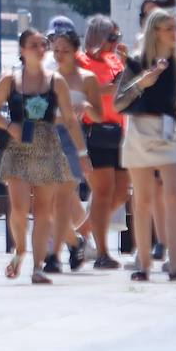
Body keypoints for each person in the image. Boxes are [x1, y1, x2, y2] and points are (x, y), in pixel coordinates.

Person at [0, 30, 92, 284]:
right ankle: (19, 251)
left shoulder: (55, 81)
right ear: (22, 50)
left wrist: (82, 153)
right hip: (18, 146)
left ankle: (38, 267)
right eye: (33, 45)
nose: (40, 48)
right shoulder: (9, 79)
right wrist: (8, 125)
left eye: (42, 44)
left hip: (47, 146)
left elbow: (69, 119)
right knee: (20, 210)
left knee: (44, 211)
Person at [114, 8, 176, 281]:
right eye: (168, 28)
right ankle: (143, 264)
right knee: (142, 200)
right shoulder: (136, 62)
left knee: (174, 196)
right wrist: (143, 80)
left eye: (175, 27)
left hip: (169, 132)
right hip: (139, 130)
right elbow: (119, 103)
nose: (175, 34)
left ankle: (175, 263)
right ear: (155, 32)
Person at [137, 0, 176, 259]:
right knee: (153, 188)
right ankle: (162, 239)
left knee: (170, 187)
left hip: (174, 124)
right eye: (146, 17)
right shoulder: (139, 48)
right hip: (144, 127)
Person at [48, 27, 102, 272]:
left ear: (75, 51)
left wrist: (87, 105)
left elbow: (99, 116)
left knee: (61, 200)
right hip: (48, 138)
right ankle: (75, 242)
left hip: (72, 139)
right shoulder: (49, 77)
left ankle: (53, 256)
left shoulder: (87, 78)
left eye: (65, 50)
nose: (59, 55)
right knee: (49, 203)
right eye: (56, 50)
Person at [77, 15, 128, 269]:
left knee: (121, 191)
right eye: (111, 38)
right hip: (94, 130)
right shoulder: (81, 62)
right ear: (97, 36)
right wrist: (109, 87)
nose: (115, 43)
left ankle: (80, 232)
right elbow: (84, 91)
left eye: (117, 37)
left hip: (119, 130)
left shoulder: (115, 60)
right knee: (104, 191)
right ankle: (102, 253)